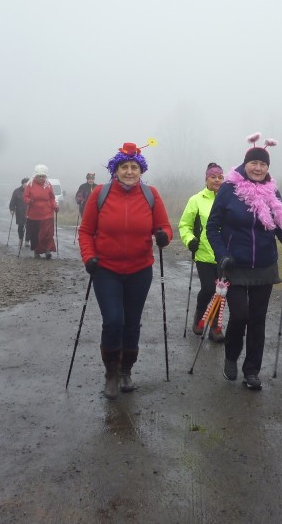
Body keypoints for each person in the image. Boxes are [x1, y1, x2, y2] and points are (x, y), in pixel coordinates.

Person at [78, 141, 173, 399]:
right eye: (124, 167)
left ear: (140, 170)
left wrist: (164, 235)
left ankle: (126, 370)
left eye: (134, 167)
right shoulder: (100, 193)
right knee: (112, 322)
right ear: (115, 170)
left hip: (140, 269)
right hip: (106, 269)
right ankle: (110, 373)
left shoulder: (151, 194)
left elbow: (164, 226)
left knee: (131, 324)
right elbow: (86, 231)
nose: (129, 171)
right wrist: (89, 257)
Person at [206, 133, 282, 391]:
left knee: (257, 318)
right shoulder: (228, 190)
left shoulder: (272, 190)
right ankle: (231, 356)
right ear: (245, 165)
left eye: (263, 164)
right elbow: (213, 228)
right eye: (254, 163)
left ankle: (252, 370)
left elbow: (281, 222)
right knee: (240, 315)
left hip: (265, 265)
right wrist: (221, 253)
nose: (258, 168)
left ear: (268, 168)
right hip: (235, 264)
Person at [179, 162, 226, 342]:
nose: (217, 180)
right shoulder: (196, 200)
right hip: (204, 254)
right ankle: (200, 316)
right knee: (209, 289)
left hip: (224, 255)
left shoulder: (228, 198)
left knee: (221, 292)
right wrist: (190, 240)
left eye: (220, 177)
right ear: (206, 178)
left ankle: (215, 326)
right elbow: (185, 225)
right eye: (213, 176)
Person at [24, 165, 59, 259]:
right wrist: (28, 201)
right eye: (39, 176)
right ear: (35, 175)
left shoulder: (48, 185)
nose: (41, 178)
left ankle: (47, 250)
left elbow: (52, 198)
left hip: (47, 213)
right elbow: (26, 197)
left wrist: (55, 206)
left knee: (48, 233)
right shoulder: (30, 185)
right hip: (34, 214)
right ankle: (37, 251)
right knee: (35, 234)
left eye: (43, 176)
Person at [9, 178, 29, 246]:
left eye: (28, 184)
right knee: (21, 226)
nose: (26, 185)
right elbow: (13, 201)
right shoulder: (17, 191)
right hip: (20, 212)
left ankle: (27, 240)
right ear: (22, 184)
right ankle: (20, 239)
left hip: (30, 212)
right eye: (25, 184)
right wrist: (12, 209)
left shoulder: (31, 191)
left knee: (29, 227)